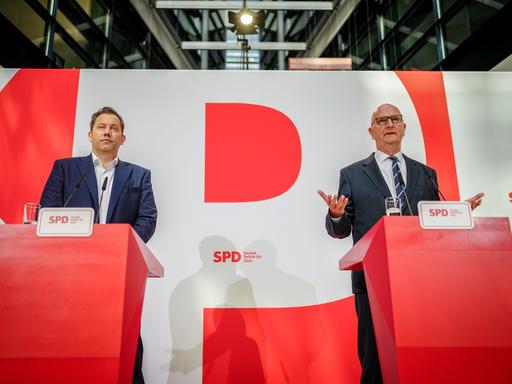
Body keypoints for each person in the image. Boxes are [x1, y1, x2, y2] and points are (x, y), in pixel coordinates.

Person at [318, 103, 483, 384]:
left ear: (404, 127)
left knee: (421, 360)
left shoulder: (426, 173)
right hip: (372, 282)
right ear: (372, 131)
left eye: (395, 119)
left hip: (420, 282)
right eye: (382, 121)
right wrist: (335, 215)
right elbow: (342, 230)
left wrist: (457, 213)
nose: (389, 124)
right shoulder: (353, 174)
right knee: (375, 363)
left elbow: (433, 224)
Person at [40, 106, 157, 384]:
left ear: (122, 138)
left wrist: (122, 246)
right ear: (90, 134)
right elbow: (48, 210)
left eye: (114, 128)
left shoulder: (138, 175)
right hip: (71, 271)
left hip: (118, 271)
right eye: (102, 127)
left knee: (124, 339)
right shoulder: (66, 169)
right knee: (71, 337)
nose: (108, 132)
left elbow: (148, 218)